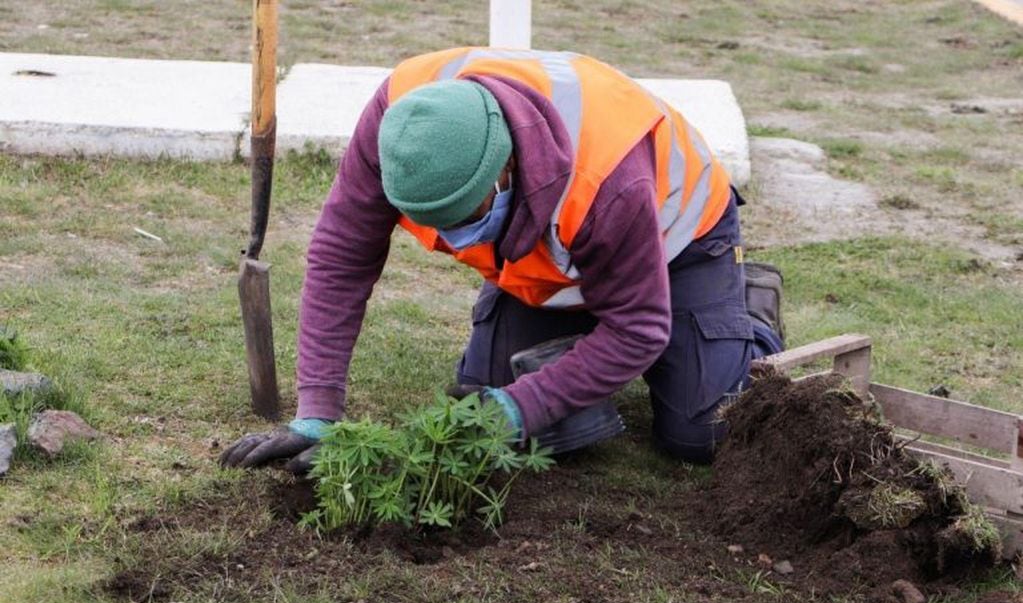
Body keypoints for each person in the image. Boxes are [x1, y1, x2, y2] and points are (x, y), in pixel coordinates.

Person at [220, 47, 785, 473]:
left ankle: (742, 316)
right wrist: (318, 409)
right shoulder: (403, 120)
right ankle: (590, 324)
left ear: (507, 169)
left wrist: (517, 407)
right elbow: (342, 256)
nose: (457, 241)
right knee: (485, 404)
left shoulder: (608, 178)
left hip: (678, 243)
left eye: (468, 217)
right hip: (552, 262)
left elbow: (639, 330)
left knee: (700, 433)